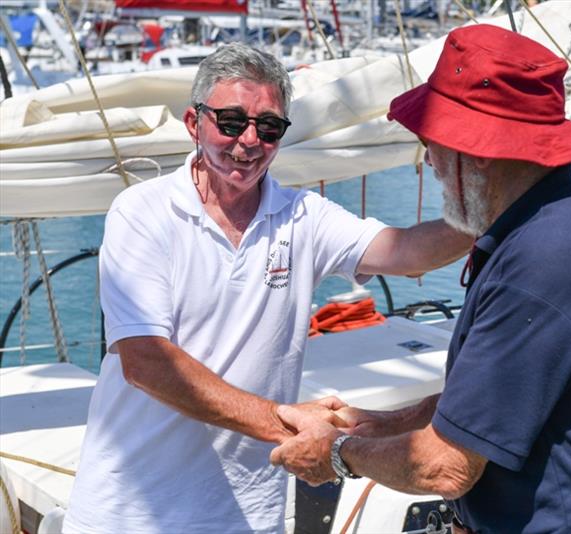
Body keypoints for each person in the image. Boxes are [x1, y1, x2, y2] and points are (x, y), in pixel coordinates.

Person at [270, 24, 571, 533]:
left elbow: (447, 466)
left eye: (431, 143)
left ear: (477, 150)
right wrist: (384, 423)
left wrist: (338, 454)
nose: (428, 162)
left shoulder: (548, 259)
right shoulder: (555, 225)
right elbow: (497, 405)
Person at [62, 43, 472, 534]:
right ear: (195, 123)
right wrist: (286, 421)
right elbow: (146, 362)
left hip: (249, 516)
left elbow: (405, 252)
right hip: (128, 515)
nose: (249, 140)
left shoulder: (303, 216)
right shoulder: (142, 212)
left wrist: (490, 211)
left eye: (269, 127)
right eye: (231, 122)